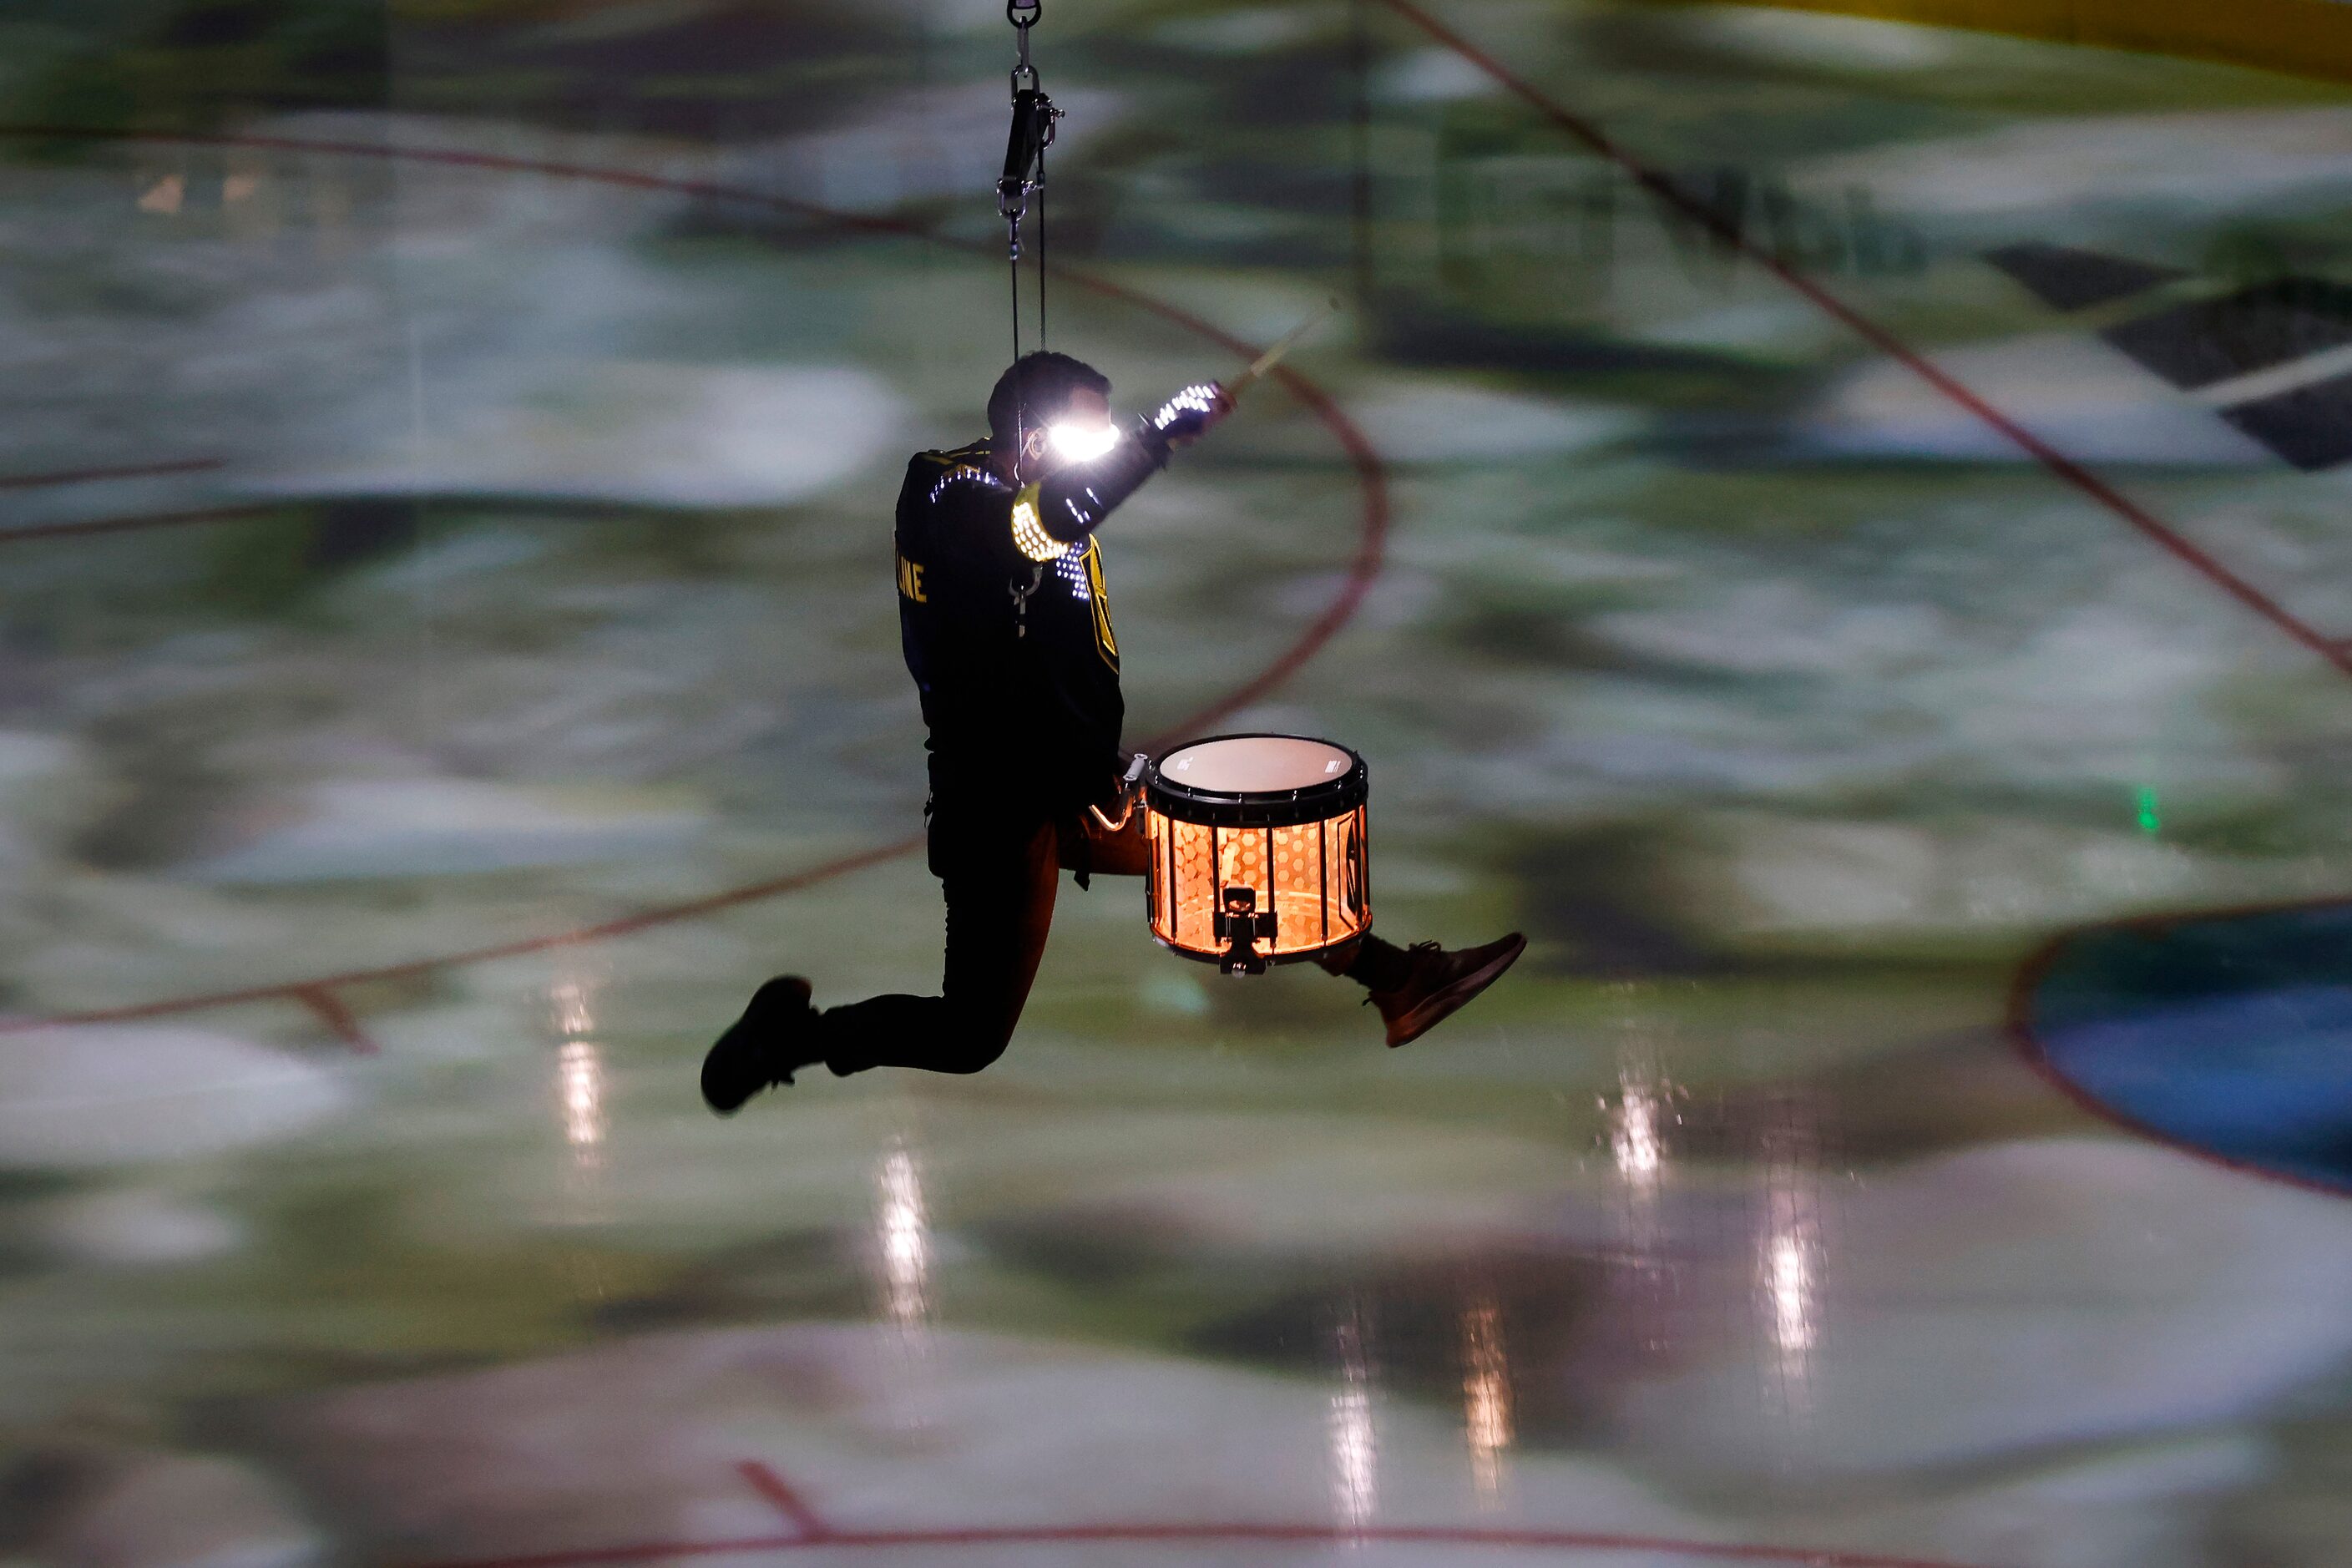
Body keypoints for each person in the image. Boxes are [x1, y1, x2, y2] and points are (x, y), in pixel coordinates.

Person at [701, 352, 1524, 1112]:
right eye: (1087, 430)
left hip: (1081, 782)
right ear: (1030, 433)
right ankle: (792, 1040)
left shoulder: (1037, 510)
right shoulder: (950, 493)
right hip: (1001, 804)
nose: (1100, 446)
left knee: (1244, 843)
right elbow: (1034, 528)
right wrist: (1157, 436)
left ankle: (1399, 982)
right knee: (971, 1034)